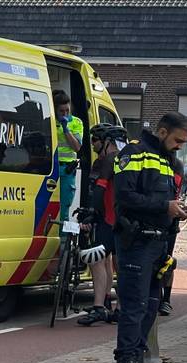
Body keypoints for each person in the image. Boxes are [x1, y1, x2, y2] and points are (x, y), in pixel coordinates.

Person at [112, 112, 187, 363]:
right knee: (133, 306)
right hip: (136, 242)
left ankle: (137, 362)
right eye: (177, 140)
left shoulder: (167, 160)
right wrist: (164, 207)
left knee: (150, 305)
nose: (180, 146)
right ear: (161, 132)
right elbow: (125, 197)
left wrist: (178, 210)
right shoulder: (133, 154)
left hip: (158, 243)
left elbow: (162, 201)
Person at [78, 124, 125, 326]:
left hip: (108, 219)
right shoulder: (129, 159)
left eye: (97, 139)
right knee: (120, 264)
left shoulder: (108, 160)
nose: (93, 144)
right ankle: (120, 310)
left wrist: (92, 214)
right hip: (126, 221)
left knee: (97, 260)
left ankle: (99, 307)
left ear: (108, 142)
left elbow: (99, 190)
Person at [159, 156, 184, 316]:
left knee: (167, 260)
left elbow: (174, 191)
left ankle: (166, 300)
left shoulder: (176, 164)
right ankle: (156, 297)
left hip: (169, 221)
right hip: (154, 218)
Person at [55, 91, 84, 221]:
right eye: (61, 111)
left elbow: (77, 147)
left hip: (67, 170)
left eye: (67, 110)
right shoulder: (49, 121)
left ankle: (63, 240)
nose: (65, 114)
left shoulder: (76, 122)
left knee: (64, 209)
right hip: (51, 169)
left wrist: (66, 129)